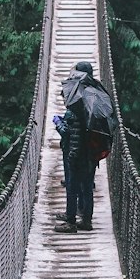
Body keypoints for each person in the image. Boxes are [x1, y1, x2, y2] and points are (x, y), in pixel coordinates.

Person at [55, 61, 112, 232]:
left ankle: (70, 221)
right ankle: (86, 220)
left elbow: (71, 134)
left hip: (77, 153)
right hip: (91, 153)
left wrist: (59, 123)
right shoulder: (94, 95)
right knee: (87, 185)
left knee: (72, 186)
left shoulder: (77, 101)